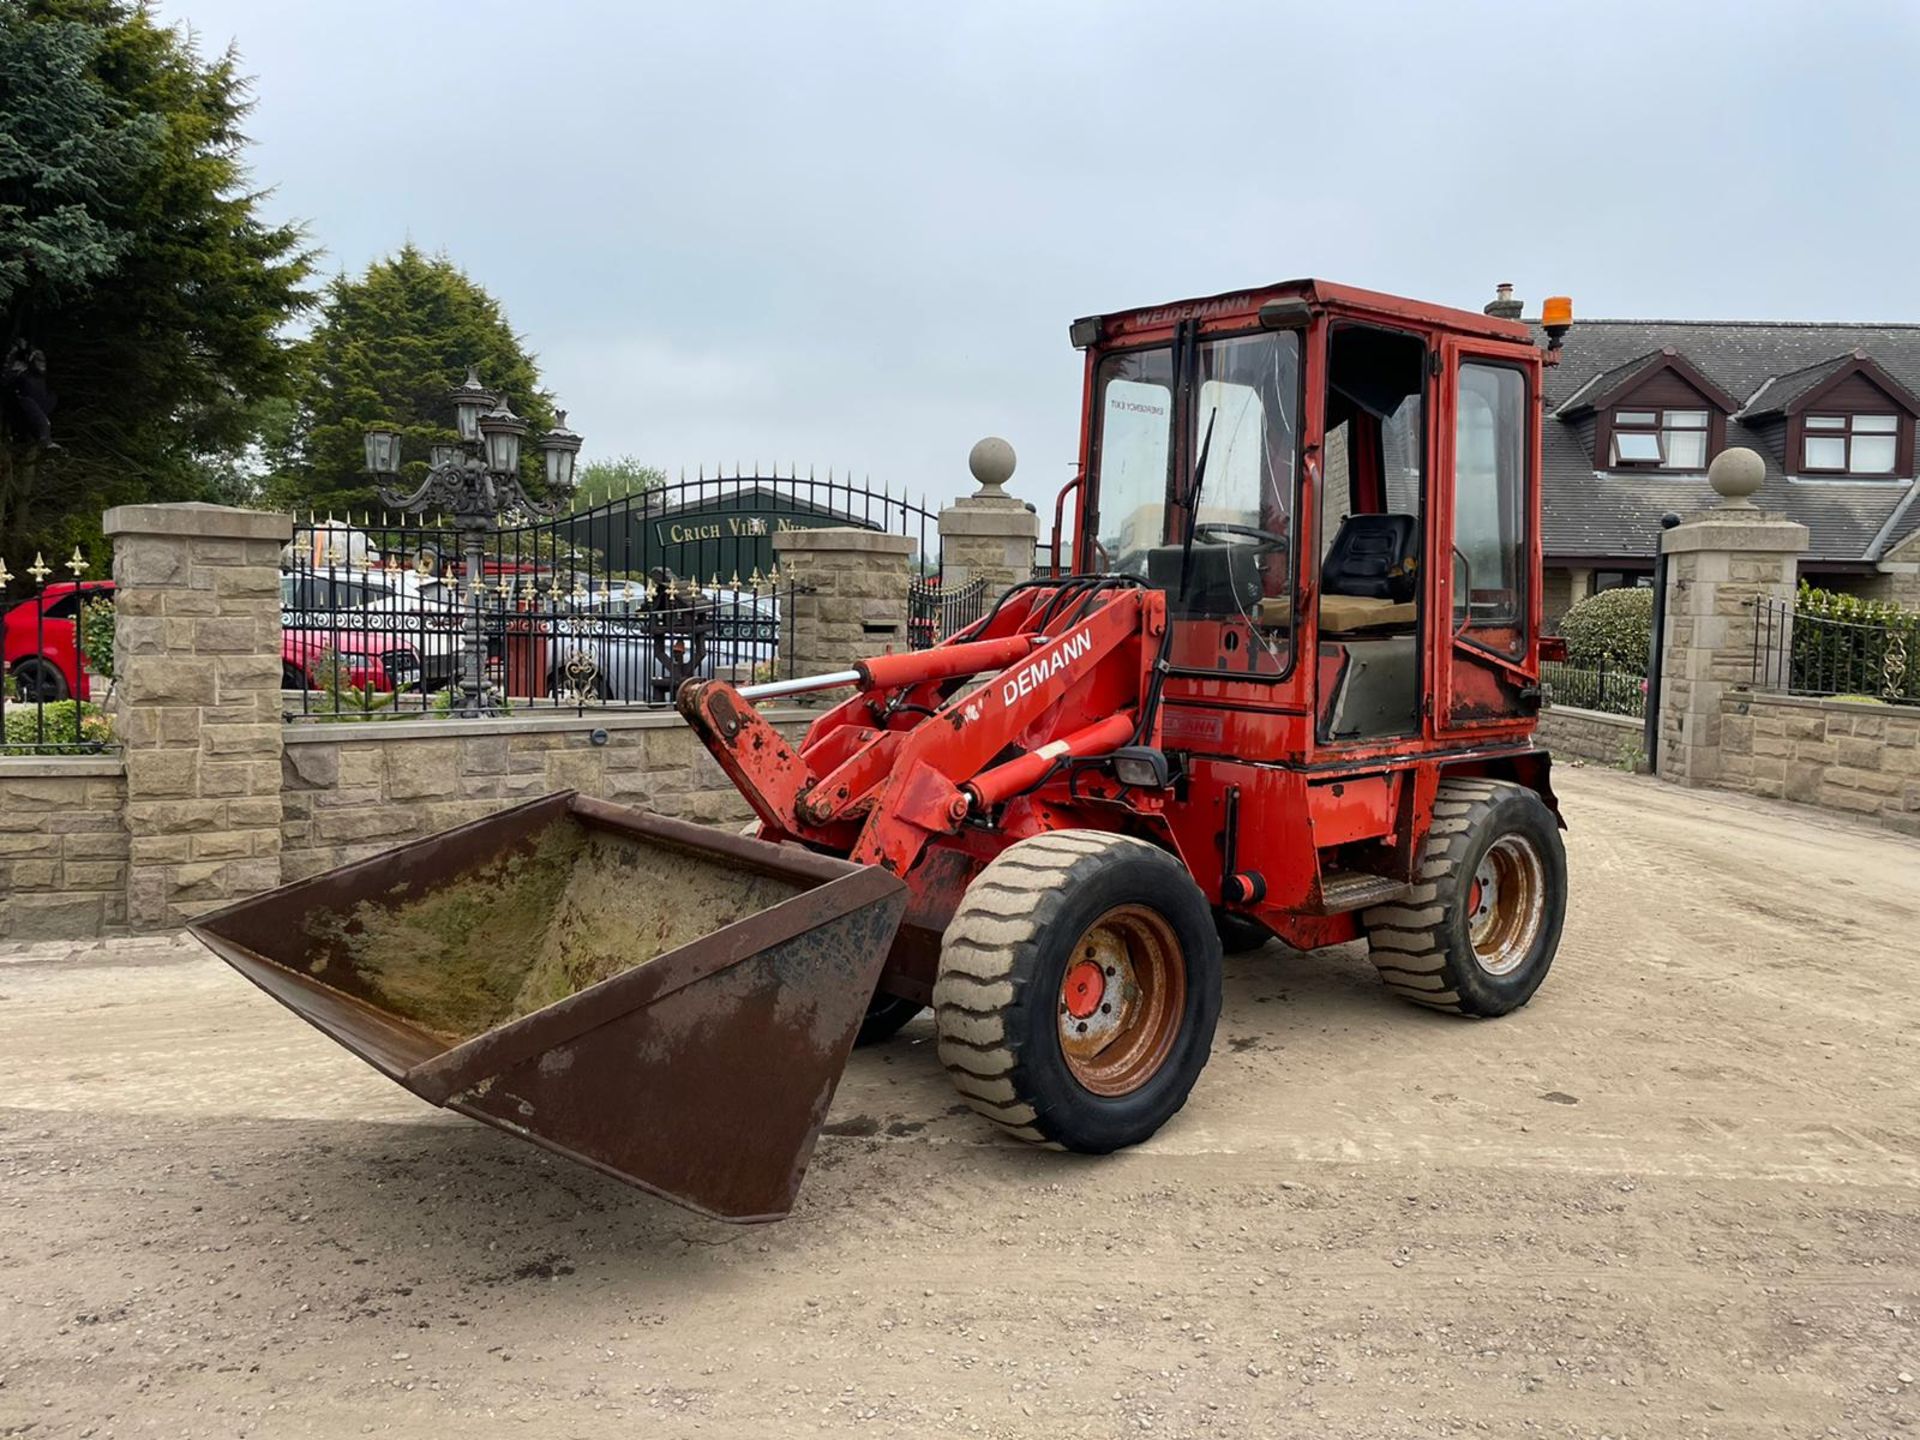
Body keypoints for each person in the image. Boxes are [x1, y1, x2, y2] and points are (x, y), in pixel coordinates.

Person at [2, 341, 57, 447]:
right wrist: (15, 351)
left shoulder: (40, 378)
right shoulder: (22, 372)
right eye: (39, 360)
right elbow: (5, 379)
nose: (42, 363)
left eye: (43, 361)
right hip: (21, 412)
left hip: (32, 417)